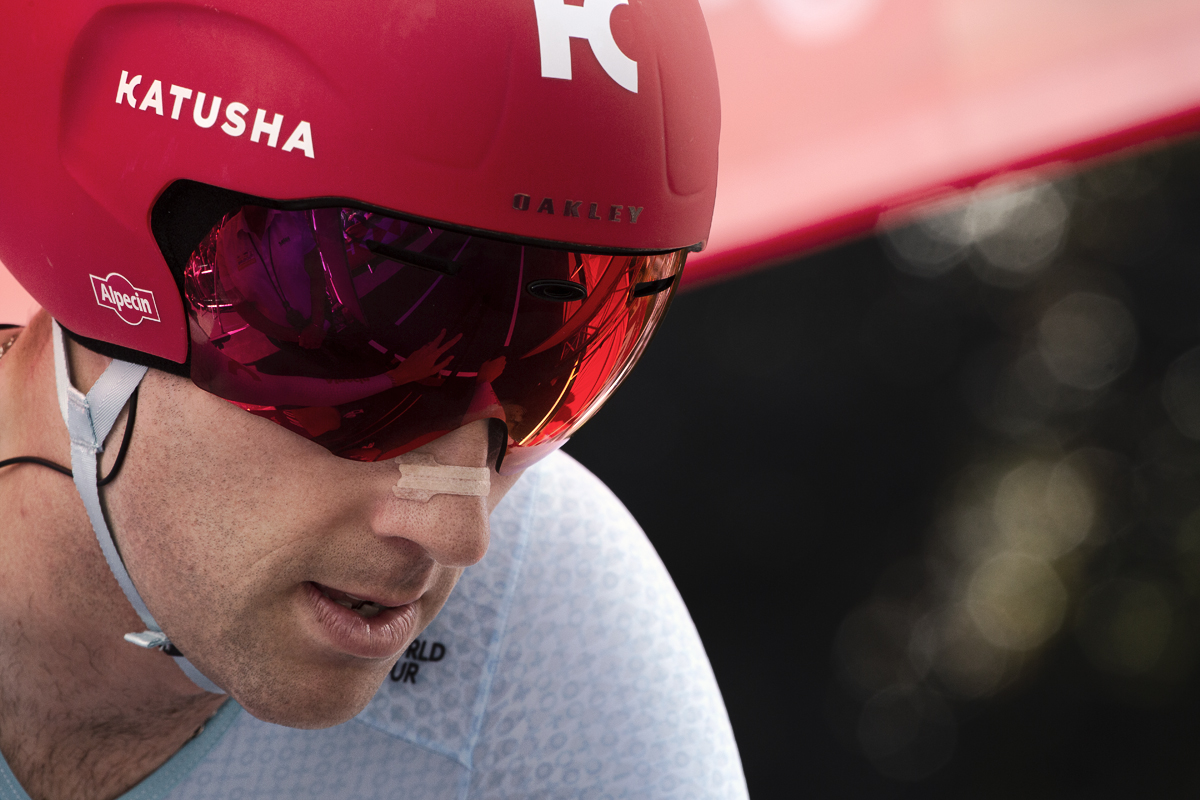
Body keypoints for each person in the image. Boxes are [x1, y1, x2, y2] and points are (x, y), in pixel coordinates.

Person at [0, 1, 745, 799]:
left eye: (554, 375)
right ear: (104, 282)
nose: (459, 530)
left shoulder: (555, 631)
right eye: (356, 356)